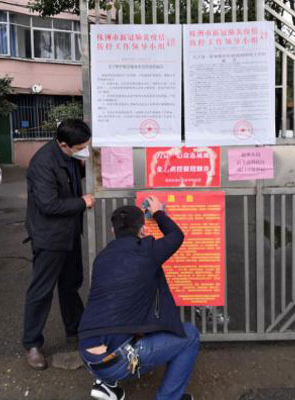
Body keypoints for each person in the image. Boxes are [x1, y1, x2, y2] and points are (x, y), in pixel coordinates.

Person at [78, 197, 199, 400]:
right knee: (190, 336)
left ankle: (106, 385)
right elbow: (176, 235)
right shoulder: (147, 251)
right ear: (143, 230)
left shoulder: (102, 258)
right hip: (116, 359)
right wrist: (158, 212)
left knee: (116, 317)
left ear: (113, 231)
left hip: (87, 354)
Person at [23, 119, 95, 370]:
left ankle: (75, 330)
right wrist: (82, 202)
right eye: (80, 147)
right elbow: (49, 205)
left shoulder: (68, 156)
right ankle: (32, 344)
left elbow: (71, 178)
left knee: (70, 285)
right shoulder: (43, 163)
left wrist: (85, 168)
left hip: (69, 233)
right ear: (64, 144)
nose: (84, 150)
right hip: (49, 237)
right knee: (41, 290)